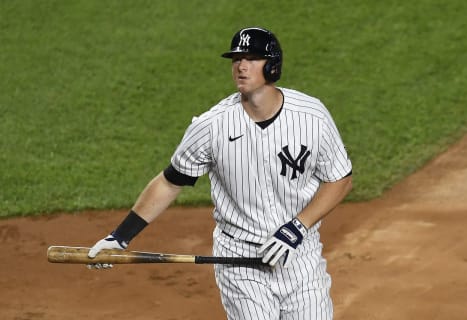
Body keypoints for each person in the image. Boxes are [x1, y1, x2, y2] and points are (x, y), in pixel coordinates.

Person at [88, 26, 353, 320]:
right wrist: (119, 237)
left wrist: (297, 227)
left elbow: (340, 179)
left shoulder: (312, 116)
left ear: (273, 65)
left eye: (252, 58)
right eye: (236, 59)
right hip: (239, 261)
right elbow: (169, 182)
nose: (241, 66)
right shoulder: (211, 127)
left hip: (299, 257)